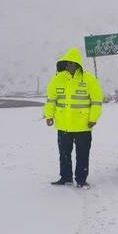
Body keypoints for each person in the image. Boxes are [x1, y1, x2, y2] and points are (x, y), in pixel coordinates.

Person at [44, 48, 103, 188]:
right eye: (66, 63)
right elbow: (51, 100)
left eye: (71, 63)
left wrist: (93, 118)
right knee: (64, 154)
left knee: (82, 155)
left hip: (83, 126)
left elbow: (96, 101)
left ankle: (81, 180)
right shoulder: (57, 79)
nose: (68, 66)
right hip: (63, 126)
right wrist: (49, 115)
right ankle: (65, 178)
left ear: (77, 65)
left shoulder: (89, 80)